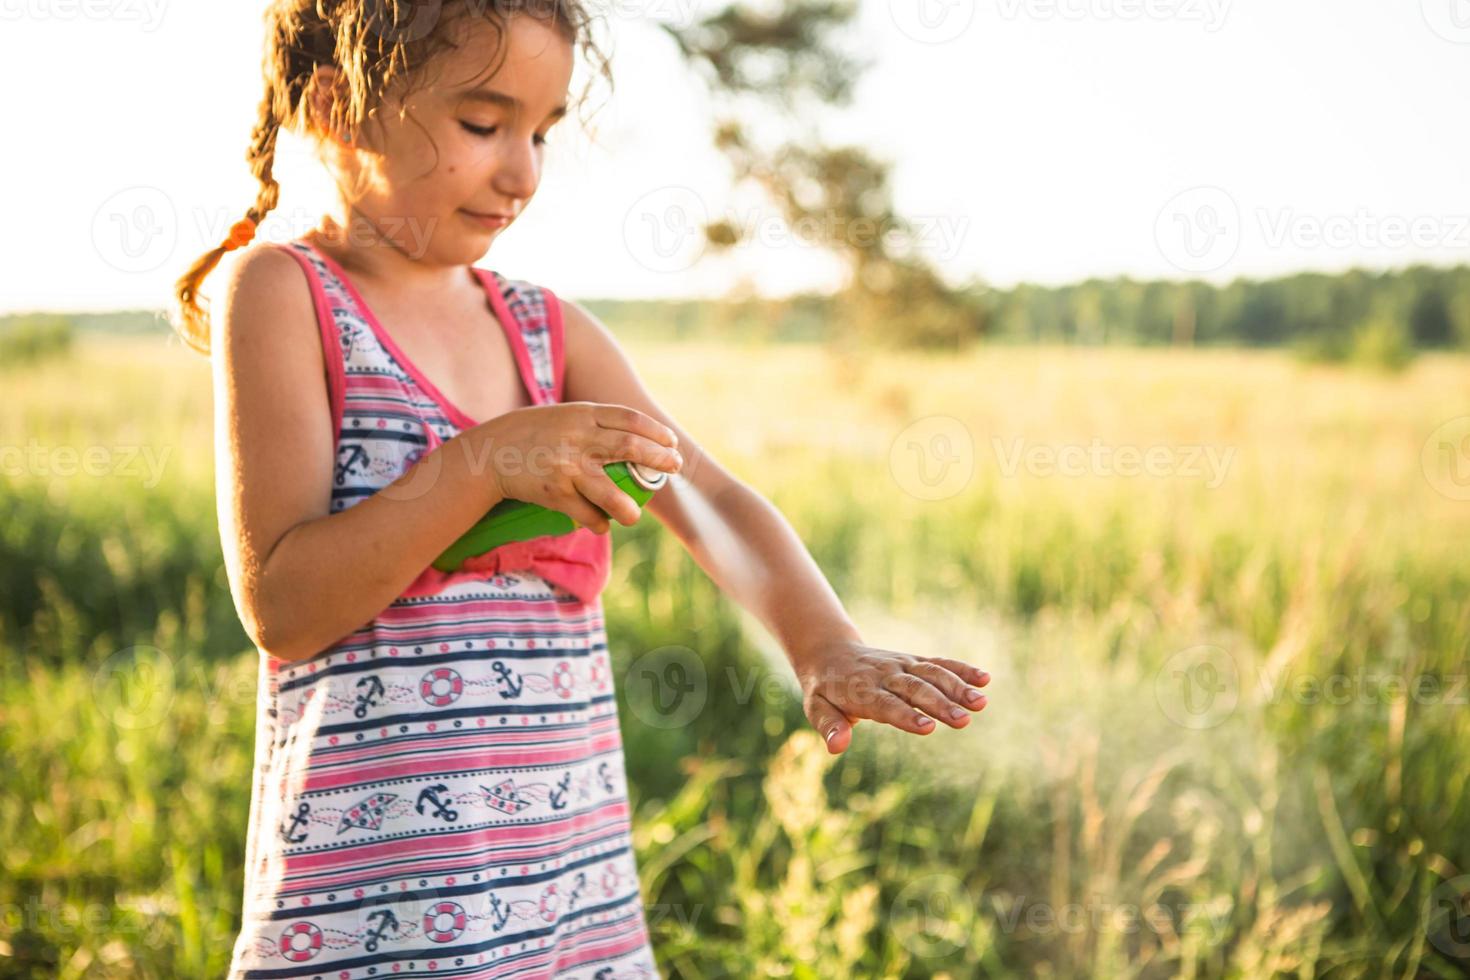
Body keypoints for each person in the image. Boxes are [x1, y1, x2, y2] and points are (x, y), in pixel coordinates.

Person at [171, 1, 991, 976]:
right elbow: (284, 603)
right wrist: (483, 463)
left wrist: (821, 640)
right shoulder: (287, 293)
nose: (522, 172)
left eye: (542, 133)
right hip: (381, 908)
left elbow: (708, 495)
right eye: (484, 124)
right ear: (334, 102)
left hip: (564, 894)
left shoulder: (545, 331)